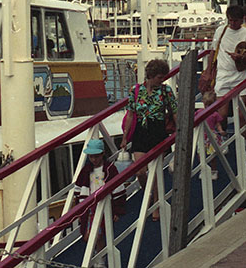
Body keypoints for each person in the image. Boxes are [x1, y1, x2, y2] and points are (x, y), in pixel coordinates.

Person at [126, 58, 178, 221]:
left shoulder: (166, 91)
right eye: (159, 77)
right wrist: (125, 136)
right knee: (140, 171)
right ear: (151, 75)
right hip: (141, 133)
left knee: (155, 172)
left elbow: (174, 111)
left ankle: (156, 204)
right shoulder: (135, 91)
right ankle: (147, 194)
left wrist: (181, 130)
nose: (162, 80)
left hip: (158, 132)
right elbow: (130, 114)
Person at [73, 139, 125, 267]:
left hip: (105, 204)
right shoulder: (85, 170)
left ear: (103, 154)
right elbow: (78, 189)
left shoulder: (110, 169)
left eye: (96, 156)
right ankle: (98, 257)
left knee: (98, 233)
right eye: (91, 156)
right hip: (89, 205)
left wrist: (118, 210)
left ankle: (99, 260)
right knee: (89, 234)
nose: (94, 159)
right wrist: (79, 208)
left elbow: (119, 190)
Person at [204, 5, 246, 126]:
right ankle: (222, 141)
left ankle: (243, 140)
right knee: (221, 115)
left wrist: (241, 57)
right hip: (223, 74)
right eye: (230, 20)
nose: (232, 23)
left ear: (242, 20)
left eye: (235, 21)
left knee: (241, 114)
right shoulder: (221, 30)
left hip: (240, 75)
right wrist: (208, 71)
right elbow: (213, 51)